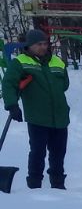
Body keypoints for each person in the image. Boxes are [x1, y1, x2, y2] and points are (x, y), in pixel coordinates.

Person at [2, 28, 70, 189]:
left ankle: (58, 183)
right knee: (38, 152)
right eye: (39, 44)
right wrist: (12, 105)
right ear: (30, 46)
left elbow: (64, 84)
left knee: (58, 153)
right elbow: (8, 84)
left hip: (60, 116)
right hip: (37, 116)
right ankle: (34, 183)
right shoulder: (21, 62)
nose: (43, 47)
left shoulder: (57, 62)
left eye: (45, 43)